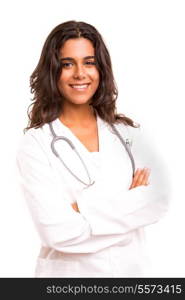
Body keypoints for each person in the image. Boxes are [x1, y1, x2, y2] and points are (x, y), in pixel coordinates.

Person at [16, 20, 170, 277]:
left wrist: (83, 210)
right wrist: (130, 208)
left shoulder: (128, 133)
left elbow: (160, 200)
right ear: (52, 71)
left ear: (101, 68)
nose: (80, 73)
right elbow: (57, 232)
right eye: (67, 64)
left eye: (89, 62)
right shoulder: (36, 144)